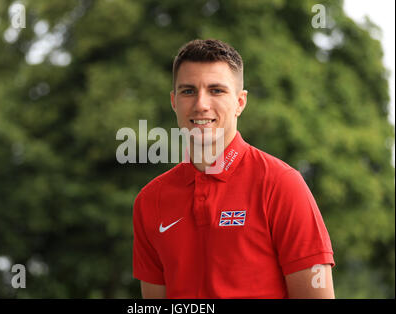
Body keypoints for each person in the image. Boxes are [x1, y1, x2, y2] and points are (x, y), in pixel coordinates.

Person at [132, 39, 335, 299]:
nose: (201, 104)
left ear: (240, 102)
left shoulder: (282, 185)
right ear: (174, 101)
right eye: (188, 91)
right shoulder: (149, 201)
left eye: (216, 90)